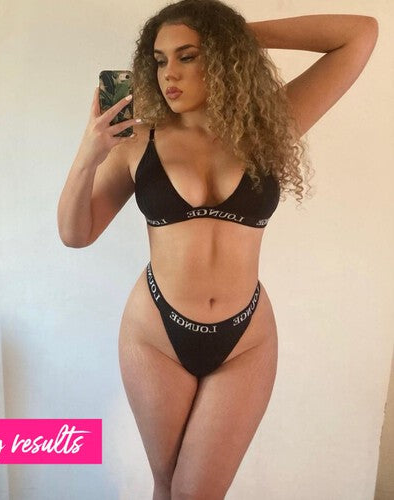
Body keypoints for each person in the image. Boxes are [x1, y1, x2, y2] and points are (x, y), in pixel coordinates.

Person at [57, 1, 378, 498]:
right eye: (160, 60)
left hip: (244, 340)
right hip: (156, 335)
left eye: (188, 56)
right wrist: (88, 154)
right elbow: (75, 234)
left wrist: (236, 34)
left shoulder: (270, 128)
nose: (170, 73)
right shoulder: (138, 140)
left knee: (197, 492)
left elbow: (359, 34)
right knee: (167, 487)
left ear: (222, 58)